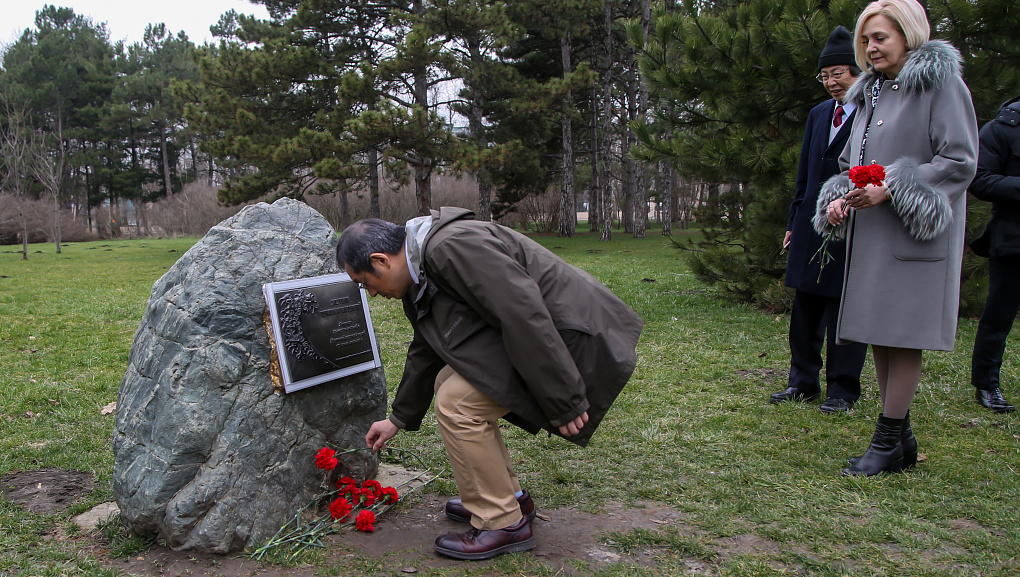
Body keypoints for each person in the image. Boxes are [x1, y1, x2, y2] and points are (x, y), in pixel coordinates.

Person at [336, 208, 643, 560]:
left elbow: (522, 312)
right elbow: (427, 348)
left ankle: (502, 523)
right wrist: (399, 418)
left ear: (381, 260)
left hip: (575, 339)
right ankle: (507, 498)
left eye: (365, 282)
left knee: (457, 402)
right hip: (549, 336)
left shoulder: (452, 247)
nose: (370, 294)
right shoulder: (420, 267)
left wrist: (564, 398)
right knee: (447, 380)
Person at [814, 0, 978, 476]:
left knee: (903, 337)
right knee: (882, 334)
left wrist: (894, 187)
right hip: (874, 235)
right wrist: (841, 196)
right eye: (866, 40)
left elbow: (961, 161)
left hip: (916, 237)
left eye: (880, 37)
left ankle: (886, 440)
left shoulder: (940, 83)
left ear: (908, 34)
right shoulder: (872, 91)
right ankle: (900, 440)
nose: (870, 48)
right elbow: (852, 163)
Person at [772, 26, 868, 414]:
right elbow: (805, 175)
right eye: (825, 75)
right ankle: (802, 382)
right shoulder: (818, 114)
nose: (831, 82)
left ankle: (842, 390)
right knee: (806, 307)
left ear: (857, 72)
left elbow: (876, 169)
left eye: (838, 74)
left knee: (844, 310)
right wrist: (795, 221)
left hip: (851, 224)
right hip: (811, 226)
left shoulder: (872, 114)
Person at [968, 96, 1020, 414]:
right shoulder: (1002, 128)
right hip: (1014, 238)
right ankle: (987, 384)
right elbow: (979, 178)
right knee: (998, 316)